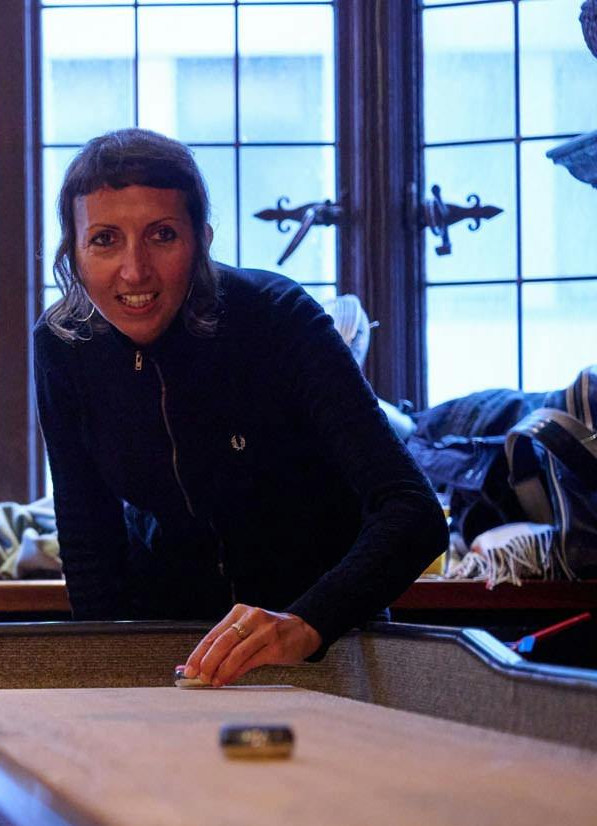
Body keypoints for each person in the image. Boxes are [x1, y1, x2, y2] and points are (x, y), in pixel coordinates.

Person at [35, 129, 446, 685]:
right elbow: (90, 542)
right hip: (172, 656)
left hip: (322, 646)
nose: (135, 272)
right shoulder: (63, 344)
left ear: (201, 240)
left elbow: (413, 514)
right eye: (105, 240)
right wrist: (116, 681)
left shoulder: (279, 319)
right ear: (75, 254)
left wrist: (305, 624)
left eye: (162, 235)